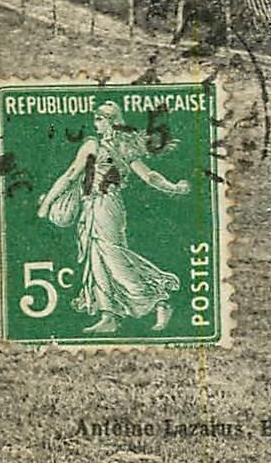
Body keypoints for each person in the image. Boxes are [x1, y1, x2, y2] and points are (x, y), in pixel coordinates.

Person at [37, 102, 189, 333]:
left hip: (106, 205)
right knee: (97, 259)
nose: (94, 124)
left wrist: (47, 204)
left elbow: (71, 175)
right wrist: (174, 188)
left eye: (98, 119)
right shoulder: (113, 146)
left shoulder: (100, 145)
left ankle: (159, 300)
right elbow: (149, 177)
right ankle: (108, 316)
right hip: (92, 206)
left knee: (113, 257)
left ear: (110, 121)